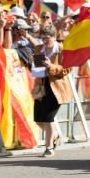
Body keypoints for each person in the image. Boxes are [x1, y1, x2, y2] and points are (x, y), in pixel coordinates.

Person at [32, 24, 65, 156]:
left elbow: (66, 69)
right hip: (40, 84)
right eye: (42, 38)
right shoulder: (39, 48)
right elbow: (37, 68)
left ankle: (49, 147)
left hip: (56, 87)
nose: (45, 41)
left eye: (47, 38)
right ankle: (55, 135)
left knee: (48, 118)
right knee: (38, 119)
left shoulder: (61, 49)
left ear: (54, 37)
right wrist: (33, 62)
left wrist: (51, 66)